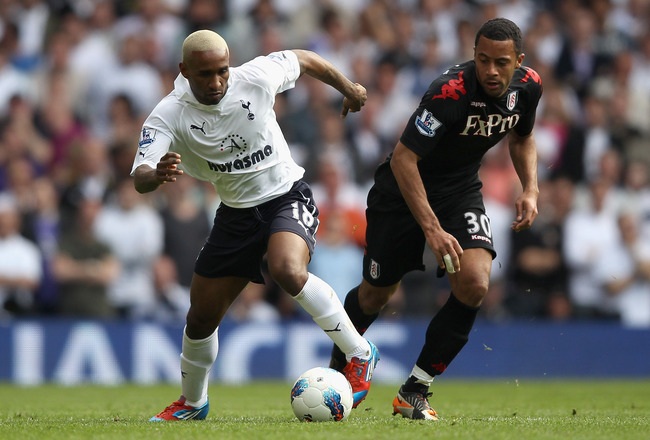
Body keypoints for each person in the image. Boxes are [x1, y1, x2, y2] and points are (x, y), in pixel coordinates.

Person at [131, 29, 379, 422]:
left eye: (222, 72)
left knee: (286, 268)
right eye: (205, 74)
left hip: (287, 196)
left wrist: (348, 88)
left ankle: (359, 353)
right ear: (184, 70)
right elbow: (140, 174)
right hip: (235, 214)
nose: (216, 82)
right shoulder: (169, 113)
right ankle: (193, 403)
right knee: (200, 316)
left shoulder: (255, 76)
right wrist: (154, 174)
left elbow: (305, 58)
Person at [329, 18, 542, 420]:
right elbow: (405, 158)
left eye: (501, 62)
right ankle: (337, 371)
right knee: (376, 294)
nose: (491, 71)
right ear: (473, 56)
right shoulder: (450, 92)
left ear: (519, 61)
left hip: (459, 189)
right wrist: (432, 229)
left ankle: (415, 390)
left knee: (476, 281)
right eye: (482, 60)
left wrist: (530, 186)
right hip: (401, 192)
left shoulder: (529, 86)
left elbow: (523, 136)